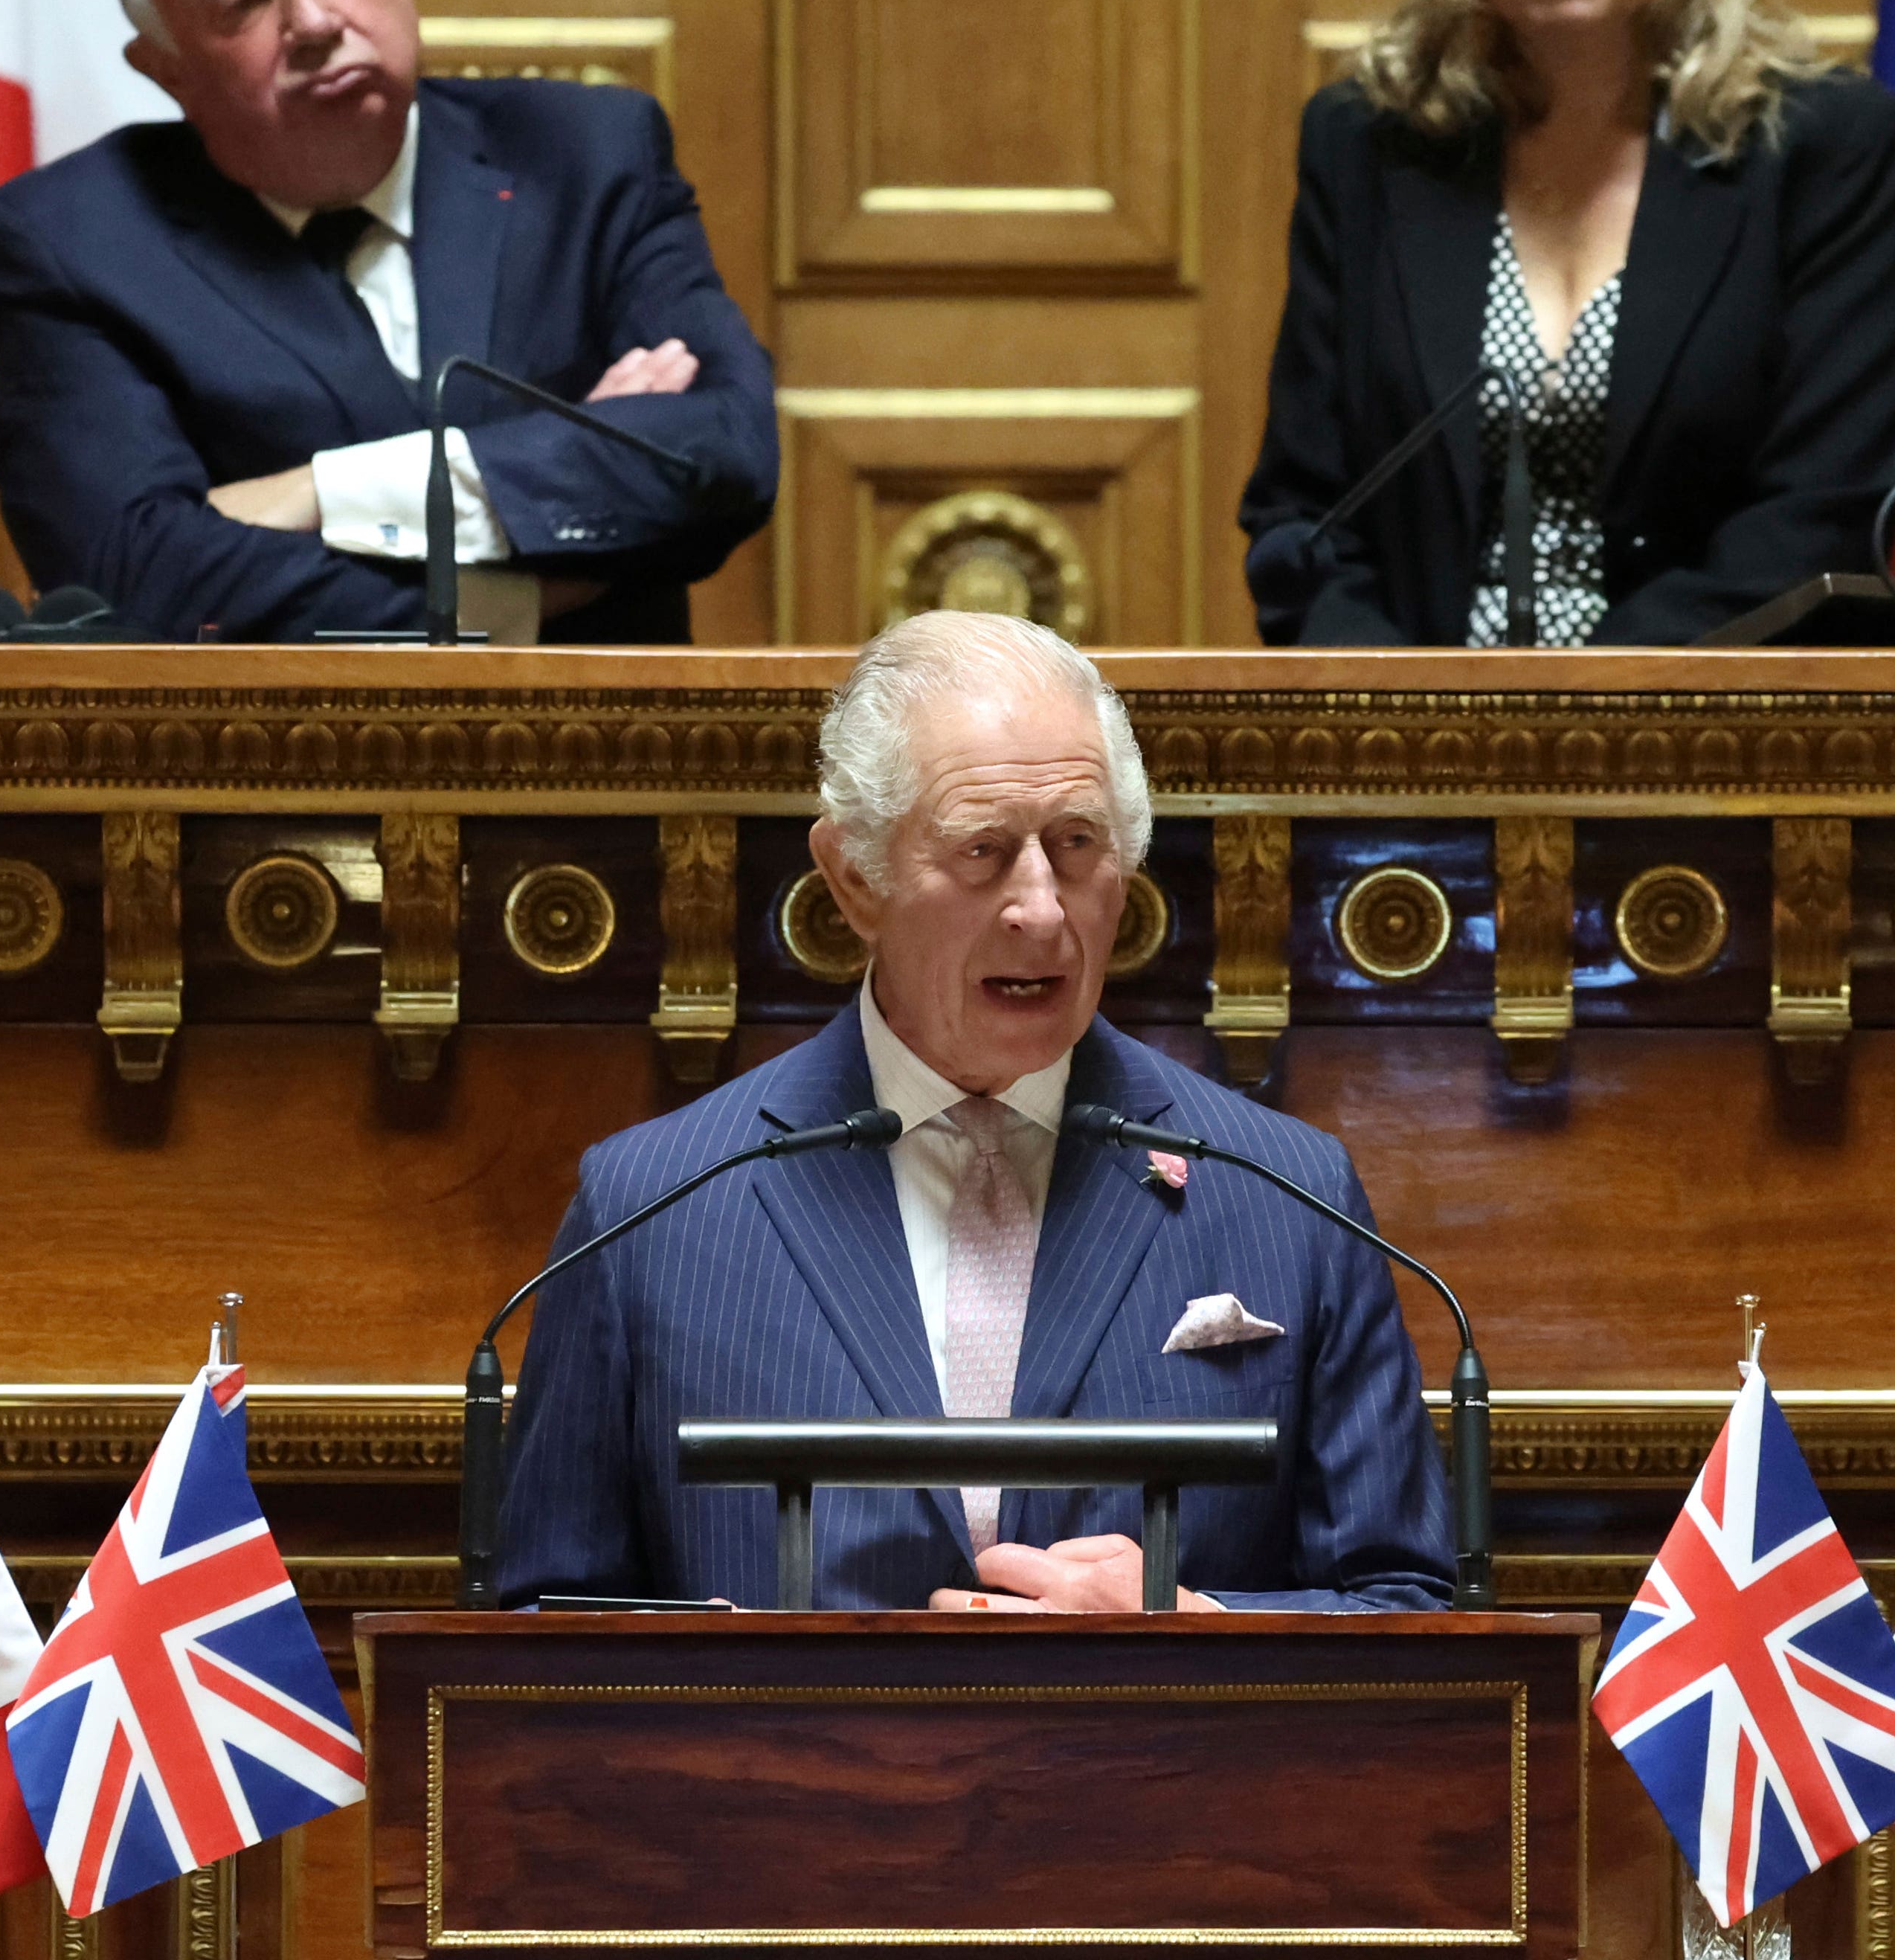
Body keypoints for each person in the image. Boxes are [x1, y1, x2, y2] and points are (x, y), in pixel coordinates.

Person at [495, 612, 1455, 1613]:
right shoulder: (653, 1208)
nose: (1040, 908)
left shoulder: (1288, 1196)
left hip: (1159, 1767)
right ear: (854, 876)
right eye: (983, 849)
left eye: (1077, 844)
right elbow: (542, 1639)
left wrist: (1197, 1631)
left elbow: (1405, 1610)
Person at [0, 0, 774, 643]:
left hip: (601, 753)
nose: (314, 20)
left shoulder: (586, 155)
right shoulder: (72, 240)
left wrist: (314, 493)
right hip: (268, 764)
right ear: (164, 66)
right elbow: (129, 573)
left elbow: (720, 451)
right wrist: (520, 591)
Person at [1241, 0, 1895, 648]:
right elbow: (1303, 513)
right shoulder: (1367, 146)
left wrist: (1575, 715)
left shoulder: (1820, 146)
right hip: (1409, 753)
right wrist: (1406, 720)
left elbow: (1824, 514)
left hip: (1713, 742)